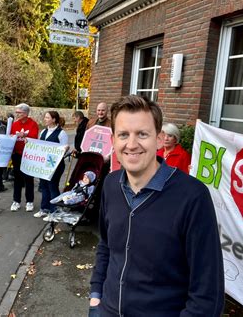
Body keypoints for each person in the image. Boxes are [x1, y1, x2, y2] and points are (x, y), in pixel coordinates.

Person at [89, 95, 224, 316]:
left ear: (159, 139)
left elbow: (208, 291)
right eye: (124, 135)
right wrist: (96, 294)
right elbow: (106, 245)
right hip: (105, 309)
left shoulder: (192, 196)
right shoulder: (111, 184)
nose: (131, 144)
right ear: (113, 140)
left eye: (142, 134)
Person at [33, 111, 69, 218]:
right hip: (44, 165)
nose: (45, 119)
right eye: (45, 117)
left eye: (47, 117)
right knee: (44, 186)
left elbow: (64, 150)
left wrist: (64, 149)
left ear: (54, 119)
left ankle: (54, 211)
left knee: (52, 186)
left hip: (56, 166)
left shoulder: (61, 133)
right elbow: (39, 146)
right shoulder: (43, 132)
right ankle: (44, 208)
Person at [10, 103, 39, 212]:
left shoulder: (33, 124)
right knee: (17, 179)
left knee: (28, 179)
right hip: (16, 155)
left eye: (19, 112)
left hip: (28, 156)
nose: (17, 114)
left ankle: (29, 201)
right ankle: (16, 201)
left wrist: (25, 136)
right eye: (16, 112)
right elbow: (10, 137)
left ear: (26, 113)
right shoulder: (14, 124)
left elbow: (35, 138)